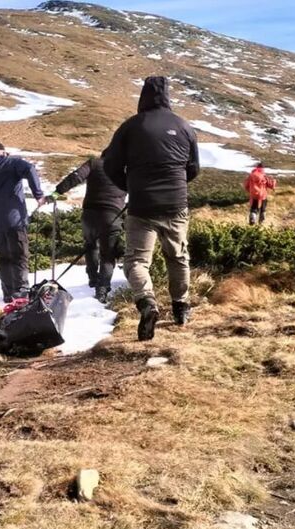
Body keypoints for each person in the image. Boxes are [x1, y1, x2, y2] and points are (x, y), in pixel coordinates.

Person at [104, 76, 200, 341]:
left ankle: (147, 302)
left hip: (141, 206)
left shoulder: (130, 127)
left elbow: (110, 165)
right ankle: (181, 307)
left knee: (136, 260)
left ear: (142, 97)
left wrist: (130, 186)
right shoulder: (184, 126)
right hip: (176, 204)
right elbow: (193, 169)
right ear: (167, 96)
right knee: (178, 257)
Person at [45, 152, 126, 303]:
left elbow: (75, 177)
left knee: (90, 246)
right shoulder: (126, 169)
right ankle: (101, 289)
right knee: (108, 255)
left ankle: (93, 278)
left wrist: (56, 193)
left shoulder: (94, 163)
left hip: (89, 215)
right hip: (112, 216)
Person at [0, 142, 45, 303]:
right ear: (3, 152)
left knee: (3, 257)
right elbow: (30, 169)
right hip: (15, 220)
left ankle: (8, 293)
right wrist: (38, 195)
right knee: (19, 255)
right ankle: (22, 291)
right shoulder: (11, 163)